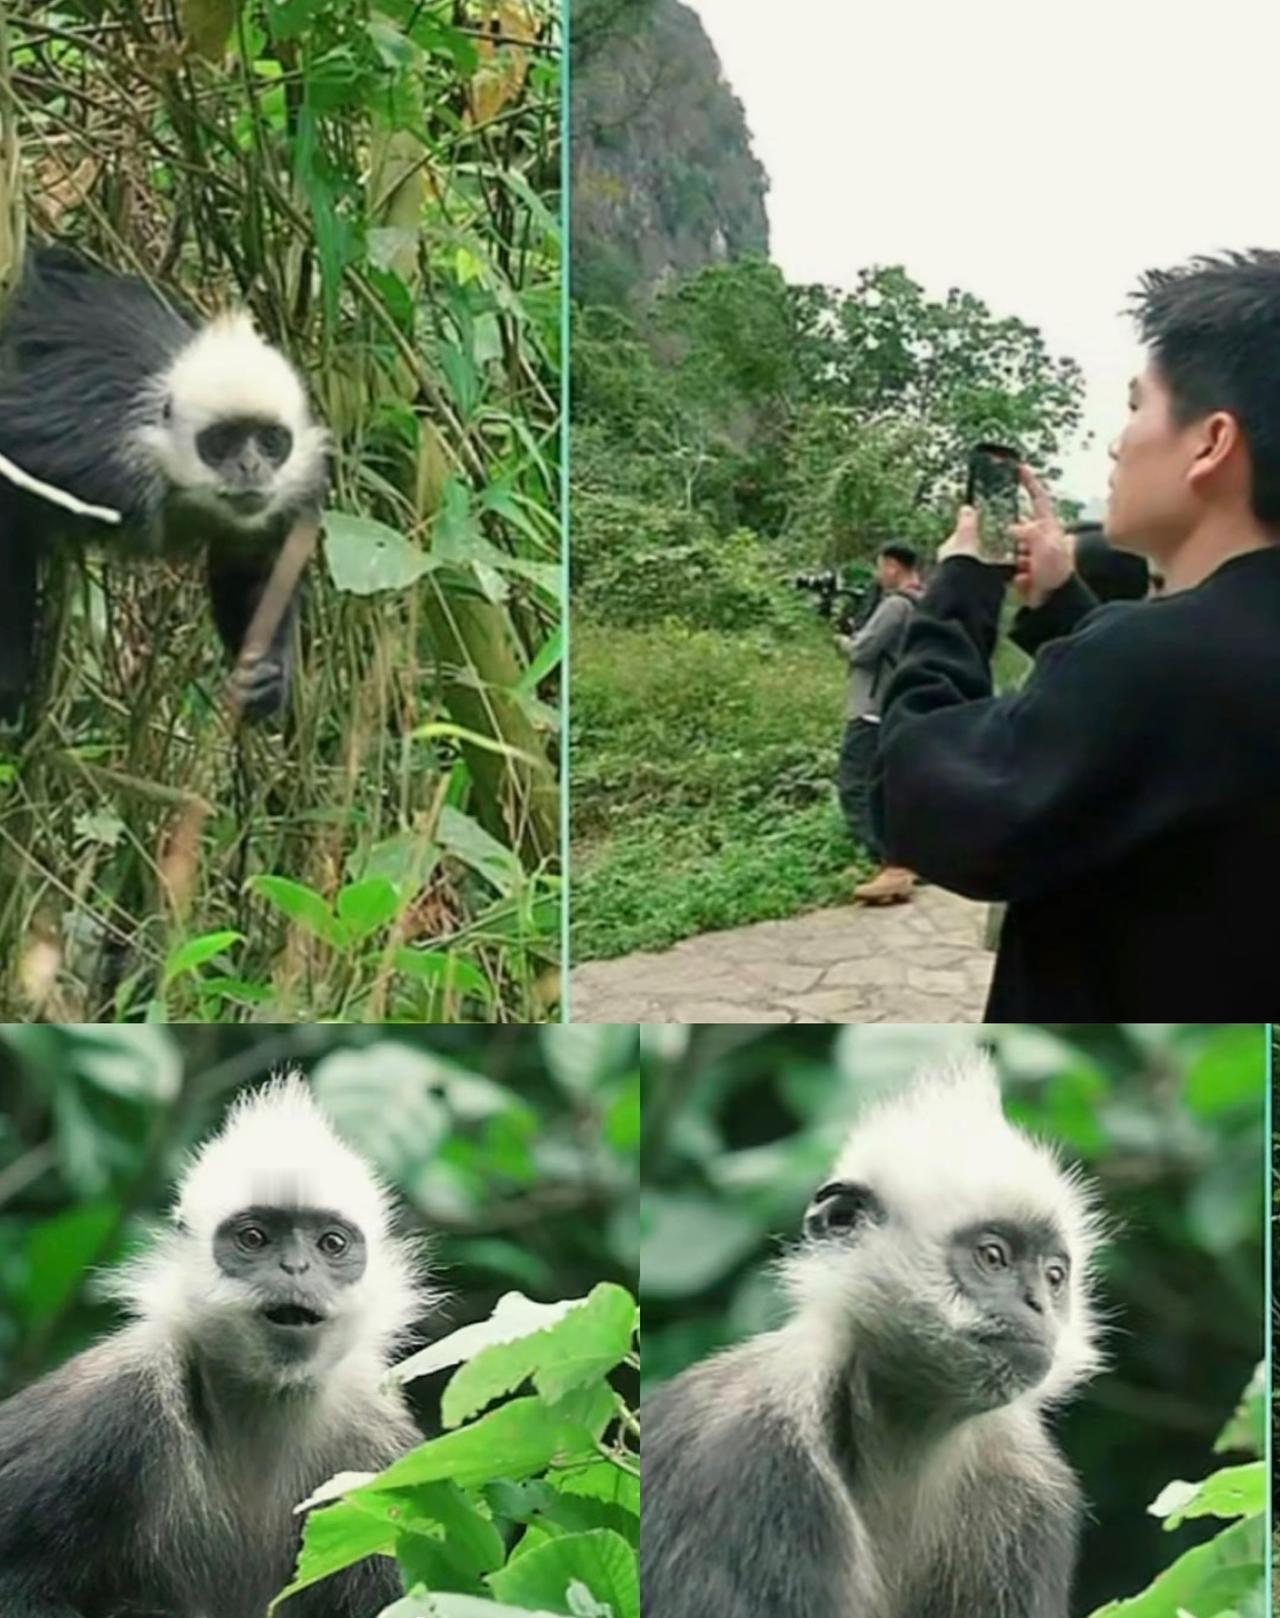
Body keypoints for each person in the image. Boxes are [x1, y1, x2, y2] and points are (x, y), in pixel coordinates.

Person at [871, 249, 1280, 1017]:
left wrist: (962, 586)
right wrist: (1064, 606)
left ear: (1211, 442)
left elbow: (918, 798)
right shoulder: (1190, 659)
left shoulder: (1154, 662)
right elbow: (1176, 739)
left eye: (1136, 406)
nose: (1117, 444)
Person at [834, 541, 923, 904]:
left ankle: (890, 866)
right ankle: (914, 862)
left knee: (855, 786)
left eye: (879, 566)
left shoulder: (896, 605)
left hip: (872, 708)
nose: (877, 574)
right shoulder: (926, 601)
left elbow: (862, 651)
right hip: (901, 707)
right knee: (893, 788)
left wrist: (842, 638)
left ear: (891, 566)